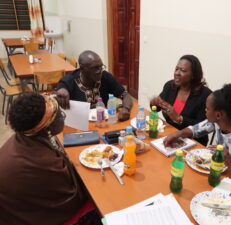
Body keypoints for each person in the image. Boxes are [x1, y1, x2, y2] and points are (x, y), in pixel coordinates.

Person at [0, 93, 100, 225]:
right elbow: (70, 199)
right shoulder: (42, 161)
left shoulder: (23, 137)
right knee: (99, 200)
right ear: (47, 126)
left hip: (14, 210)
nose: (63, 117)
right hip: (26, 217)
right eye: (59, 115)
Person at [150, 55, 211, 145]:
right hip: (170, 135)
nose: (177, 73)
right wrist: (154, 103)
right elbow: (158, 108)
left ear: (193, 75)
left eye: (182, 70)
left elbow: (203, 126)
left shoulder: (205, 95)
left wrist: (179, 119)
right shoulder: (170, 86)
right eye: (176, 69)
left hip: (193, 142)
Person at [56, 50, 133, 121]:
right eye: (95, 68)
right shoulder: (70, 80)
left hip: (103, 122)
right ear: (82, 68)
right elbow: (62, 87)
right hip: (79, 124)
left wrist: (126, 109)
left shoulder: (105, 77)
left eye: (101, 67)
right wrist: (62, 89)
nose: (99, 71)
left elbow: (125, 95)